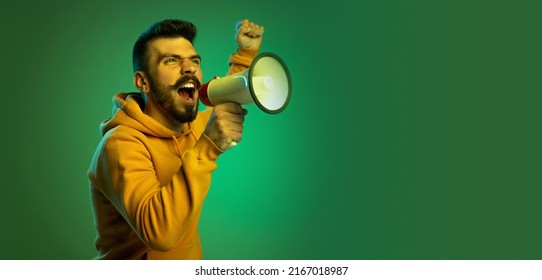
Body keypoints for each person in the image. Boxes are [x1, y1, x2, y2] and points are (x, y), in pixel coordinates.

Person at [87, 18, 264, 260]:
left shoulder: (191, 129)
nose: (189, 68)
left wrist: (246, 52)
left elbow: (226, 96)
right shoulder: (120, 144)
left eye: (194, 60)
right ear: (143, 82)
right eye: (171, 60)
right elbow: (160, 235)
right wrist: (207, 148)